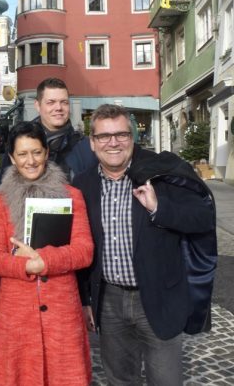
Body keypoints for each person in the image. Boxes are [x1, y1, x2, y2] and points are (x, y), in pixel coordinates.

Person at [73, 104, 216, 385]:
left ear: (132, 137)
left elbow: (202, 217)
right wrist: (84, 300)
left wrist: (158, 207)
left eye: (121, 134)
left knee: (166, 380)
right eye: (103, 136)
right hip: (109, 302)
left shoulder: (161, 172)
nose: (113, 142)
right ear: (92, 143)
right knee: (120, 380)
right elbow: (80, 243)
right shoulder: (82, 184)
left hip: (159, 297)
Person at [0, 121, 93, 386]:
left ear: (46, 153)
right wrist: (24, 268)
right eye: (22, 154)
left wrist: (44, 261)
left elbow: (84, 250)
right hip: (15, 316)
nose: (30, 160)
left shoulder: (71, 195)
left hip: (61, 314)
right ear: (11, 158)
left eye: (36, 152)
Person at [0, 78, 95, 183]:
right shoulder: (19, 142)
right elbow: (4, 189)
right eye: (51, 102)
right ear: (37, 105)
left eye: (64, 102)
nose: (58, 107)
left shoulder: (86, 147)